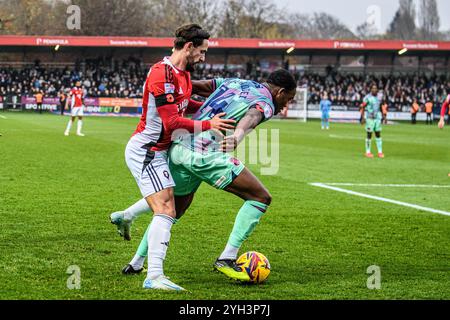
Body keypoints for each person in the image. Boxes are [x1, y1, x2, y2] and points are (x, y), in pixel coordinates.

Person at [113, 70, 297, 285]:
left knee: (170, 211)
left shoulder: (235, 82)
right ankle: (227, 258)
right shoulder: (265, 101)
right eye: (288, 99)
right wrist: (238, 135)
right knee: (260, 197)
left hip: (179, 148)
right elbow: (253, 116)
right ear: (280, 91)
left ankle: (136, 262)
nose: (285, 106)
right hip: (202, 153)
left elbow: (198, 85)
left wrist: (171, 89)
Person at [110, 24, 235, 291]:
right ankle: (154, 276)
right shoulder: (161, 72)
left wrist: (208, 111)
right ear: (188, 47)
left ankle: (126, 217)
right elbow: (171, 121)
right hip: (147, 150)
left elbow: (184, 103)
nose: (204, 57)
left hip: (160, 150)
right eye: (202, 51)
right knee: (167, 209)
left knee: (167, 199)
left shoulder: (184, 75)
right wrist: (208, 124)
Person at [360, 84, 384, 158]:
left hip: (377, 118)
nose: (374, 89)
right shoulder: (367, 97)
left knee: (378, 134)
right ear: (370, 89)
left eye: (375, 88)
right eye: (373, 88)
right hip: (370, 118)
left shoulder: (380, 96)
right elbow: (363, 107)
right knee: (369, 134)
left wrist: (383, 115)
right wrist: (362, 117)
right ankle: (368, 152)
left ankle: (380, 152)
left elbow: (380, 106)